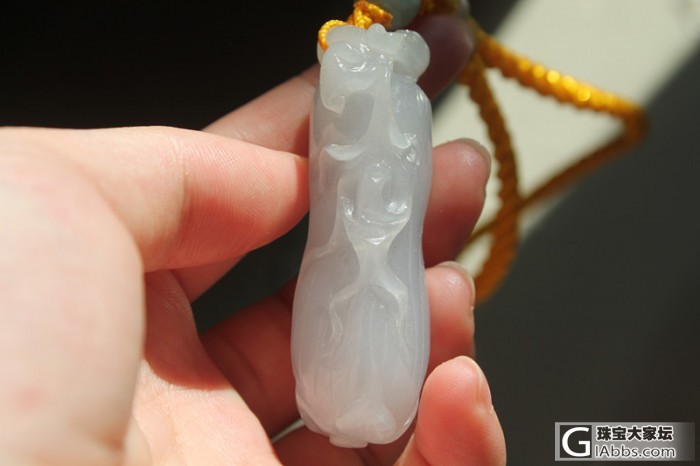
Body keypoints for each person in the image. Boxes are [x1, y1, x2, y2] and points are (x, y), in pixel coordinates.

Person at [0, 15, 506, 466]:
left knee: (374, 276)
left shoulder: (402, 104)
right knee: (354, 270)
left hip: (371, 366)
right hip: (339, 353)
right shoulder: (375, 103)